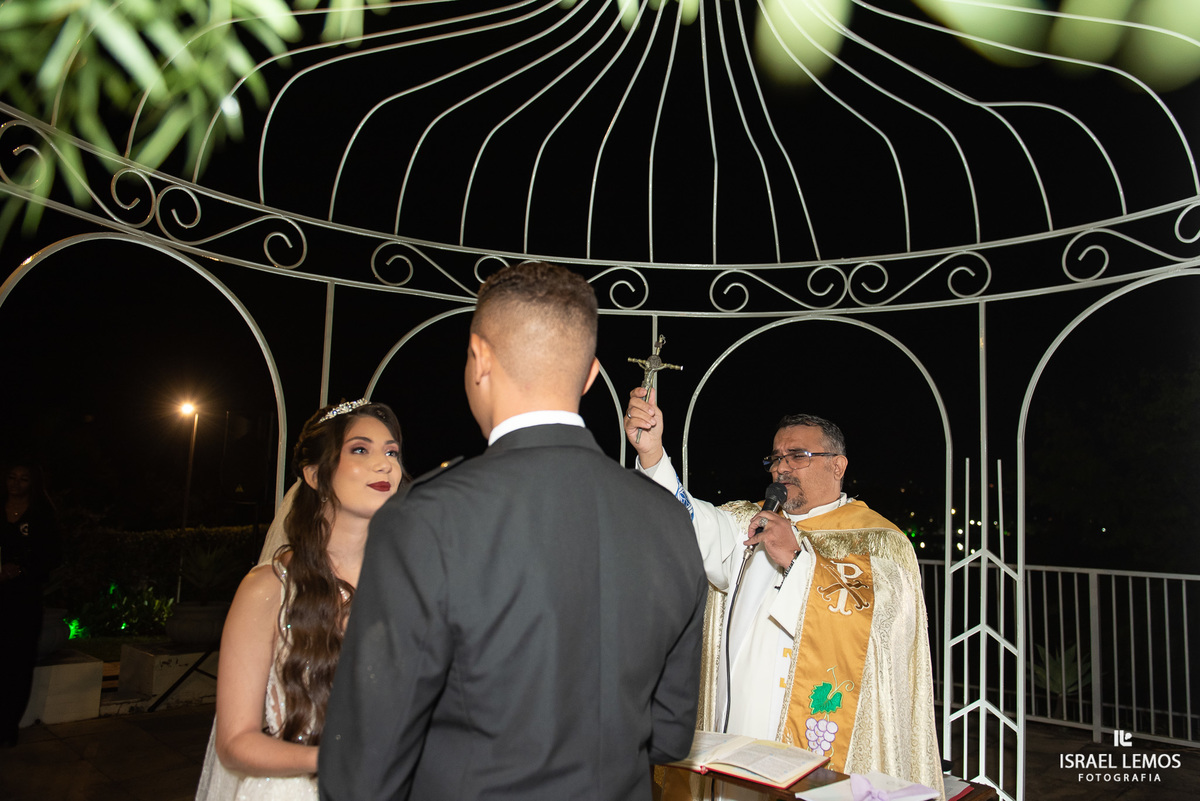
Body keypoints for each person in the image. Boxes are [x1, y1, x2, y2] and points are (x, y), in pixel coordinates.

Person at [319, 261, 708, 801]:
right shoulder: (667, 518)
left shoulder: (428, 516)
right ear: (592, 375)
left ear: (479, 359)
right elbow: (669, 734)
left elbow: (363, 771)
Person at [624, 390, 943, 801]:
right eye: (776, 458)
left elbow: (883, 625)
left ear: (838, 465)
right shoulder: (749, 521)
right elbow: (688, 524)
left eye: (798, 456)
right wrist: (652, 455)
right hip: (736, 732)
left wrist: (796, 558)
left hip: (813, 744)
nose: (782, 468)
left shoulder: (878, 542)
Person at [199, 400, 406, 801]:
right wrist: (332, 758)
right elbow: (235, 742)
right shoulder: (269, 589)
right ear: (314, 474)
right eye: (360, 449)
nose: (385, 464)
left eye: (392, 452)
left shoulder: (408, 584)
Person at [0, 462, 63, 748]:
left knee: (18, 662)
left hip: (24, 599)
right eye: (12, 477)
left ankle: (7, 725)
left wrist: (22, 571)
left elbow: (51, 555)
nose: (16, 483)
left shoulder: (42, 515)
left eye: (23, 479)